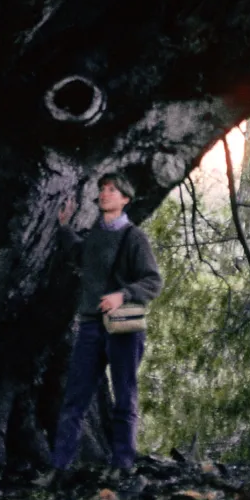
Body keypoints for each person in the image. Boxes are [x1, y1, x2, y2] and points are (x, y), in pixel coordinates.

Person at [48, 171, 162, 477]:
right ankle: (59, 467)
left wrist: (122, 295)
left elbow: (153, 281)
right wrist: (63, 227)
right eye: (102, 189)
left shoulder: (134, 238)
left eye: (112, 190)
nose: (105, 194)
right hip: (89, 326)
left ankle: (122, 466)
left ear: (125, 199)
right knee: (75, 398)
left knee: (125, 397)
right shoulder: (95, 234)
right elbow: (78, 253)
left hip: (124, 327)